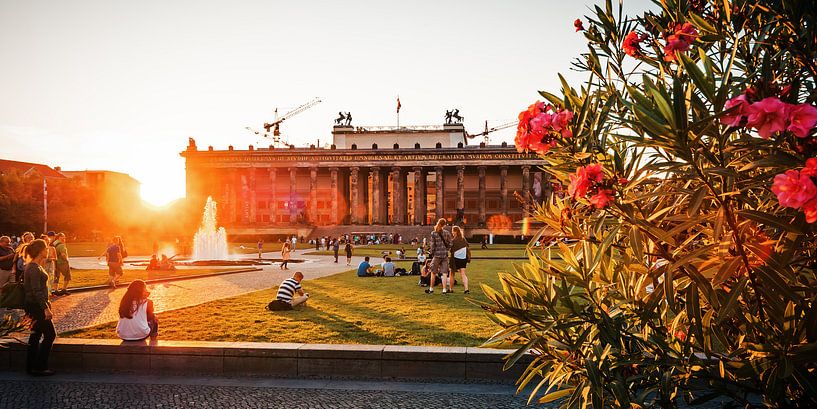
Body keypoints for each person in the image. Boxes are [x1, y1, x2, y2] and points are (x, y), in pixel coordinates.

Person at [23, 239, 56, 376]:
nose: (48, 250)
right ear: (40, 250)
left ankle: (31, 366)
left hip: (34, 305)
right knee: (50, 334)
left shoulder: (35, 266)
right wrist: (45, 308)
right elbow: (36, 291)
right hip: (36, 306)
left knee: (35, 335)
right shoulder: (34, 268)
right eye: (46, 248)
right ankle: (40, 366)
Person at [425, 218, 453, 294]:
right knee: (444, 273)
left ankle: (431, 289)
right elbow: (450, 243)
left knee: (433, 272)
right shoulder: (447, 233)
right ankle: (444, 290)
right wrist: (446, 249)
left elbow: (432, 245)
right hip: (444, 254)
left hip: (437, 255)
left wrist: (432, 253)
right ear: (444, 224)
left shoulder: (434, 233)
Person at [449, 226, 471, 294]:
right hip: (463, 258)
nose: (452, 232)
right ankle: (466, 289)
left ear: (455, 231)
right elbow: (467, 246)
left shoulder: (453, 241)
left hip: (455, 259)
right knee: (463, 274)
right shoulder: (463, 239)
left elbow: (451, 250)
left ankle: (450, 289)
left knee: (452, 274)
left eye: (453, 231)